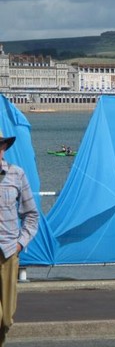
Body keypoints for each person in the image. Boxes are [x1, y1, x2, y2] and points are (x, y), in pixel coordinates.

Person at [0, 134, 39, 346]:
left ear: (4, 147)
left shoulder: (17, 174)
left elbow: (31, 215)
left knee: (6, 319)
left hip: (8, 254)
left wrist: (19, 244)